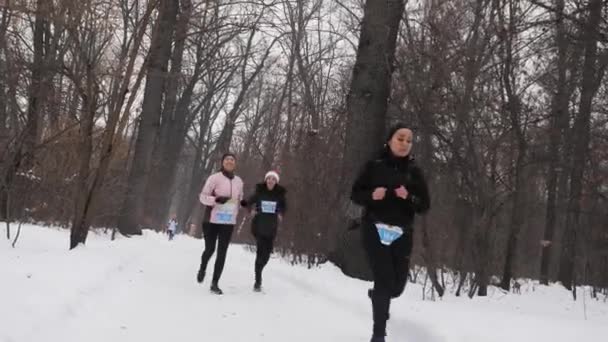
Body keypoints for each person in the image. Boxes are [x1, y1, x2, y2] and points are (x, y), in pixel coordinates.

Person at [350, 123, 430, 342]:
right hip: (374, 228)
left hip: (402, 232)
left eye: (409, 140)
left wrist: (409, 197)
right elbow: (355, 193)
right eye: (400, 138)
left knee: (396, 287)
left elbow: (424, 205)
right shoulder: (374, 165)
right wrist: (371, 195)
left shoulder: (414, 172)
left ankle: (378, 296)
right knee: (384, 280)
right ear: (389, 140)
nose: (404, 144)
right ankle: (378, 334)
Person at [196, 153, 244, 295]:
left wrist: (242, 205)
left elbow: (239, 199)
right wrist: (216, 200)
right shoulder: (214, 178)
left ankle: (215, 283)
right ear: (223, 162)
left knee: (222, 252)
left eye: (232, 160)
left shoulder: (239, 181)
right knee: (210, 249)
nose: (230, 161)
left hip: (228, 221)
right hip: (211, 220)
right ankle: (203, 267)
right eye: (227, 159)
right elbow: (202, 197)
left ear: (235, 164)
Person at [241, 171, 287, 292]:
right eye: (269, 178)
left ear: (276, 182)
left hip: (272, 226)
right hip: (259, 225)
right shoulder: (259, 192)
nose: (271, 181)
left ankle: (259, 270)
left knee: (266, 255)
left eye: (273, 179)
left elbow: (284, 207)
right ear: (266, 180)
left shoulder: (279, 195)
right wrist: (250, 210)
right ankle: (258, 280)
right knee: (260, 251)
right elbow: (246, 202)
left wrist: (281, 213)